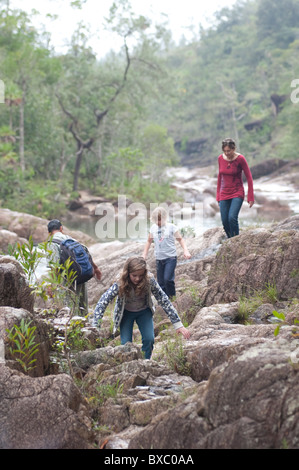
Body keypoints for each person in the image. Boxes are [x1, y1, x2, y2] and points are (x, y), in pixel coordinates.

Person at [93, 257, 190, 359]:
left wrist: (178, 324)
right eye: (134, 275)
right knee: (126, 345)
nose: (137, 279)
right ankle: (129, 364)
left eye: (140, 275)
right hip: (126, 314)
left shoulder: (149, 280)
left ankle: (146, 361)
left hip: (144, 312)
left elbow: (163, 300)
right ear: (128, 273)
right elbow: (103, 301)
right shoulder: (120, 282)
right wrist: (96, 325)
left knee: (149, 339)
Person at [47, 219, 102, 315]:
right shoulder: (70, 239)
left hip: (67, 278)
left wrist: (51, 285)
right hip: (81, 274)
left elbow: (53, 266)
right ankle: (86, 324)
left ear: (49, 232)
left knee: (69, 306)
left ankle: (72, 324)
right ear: (61, 228)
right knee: (83, 304)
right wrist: (96, 268)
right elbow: (85, 251)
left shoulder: (51, 243)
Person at [143, 207, 191, 299]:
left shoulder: (171, 227)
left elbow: (180, 239)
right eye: (156, 221)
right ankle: (164, 300)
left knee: (168, 279)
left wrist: (186, 250)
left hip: (171, 258)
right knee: (161, 283)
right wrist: (144, 254)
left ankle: (172, 298)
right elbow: (149, 241)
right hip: (159, 259)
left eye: (160, 220)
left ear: (165, 218)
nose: (158, 223)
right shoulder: (153, 228)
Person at [216, 138, 254, 238]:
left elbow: (249, 177)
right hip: (224, 193)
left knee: (232, 218)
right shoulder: (220, 158)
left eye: (229, 151)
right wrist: (218, 196)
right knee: (225, 221)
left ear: (234, 149)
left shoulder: (240, 159)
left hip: (237, 192)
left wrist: (250, 197)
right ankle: (230, 239)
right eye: (225, 151)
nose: (227, 153)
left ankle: (236, 240)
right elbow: (220, 177)